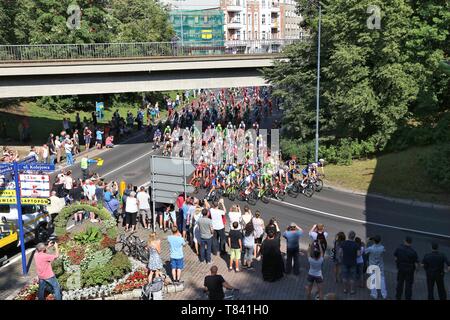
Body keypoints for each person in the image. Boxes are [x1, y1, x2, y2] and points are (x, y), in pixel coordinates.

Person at [365, 235, 387, 299]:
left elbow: (365, 251)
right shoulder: (382, 248)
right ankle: (384, 294)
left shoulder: (370, 248)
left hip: (372, 266)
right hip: (380, 266)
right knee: (382, 279)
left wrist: (366, 242)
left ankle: (374, 294)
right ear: (380, 241)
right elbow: (383, 251)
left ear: (374, 241)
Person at [339, 230, 360, 295]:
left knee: (344, 276)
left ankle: (345, 289)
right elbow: (359, 254)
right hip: (353, 263)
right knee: (352, 278)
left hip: (345, 262)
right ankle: (352, 290)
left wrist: (342, 256)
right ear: (354, 237)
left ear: (348, 236)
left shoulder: (343, 243)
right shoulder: (356, 245)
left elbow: (340, 252)